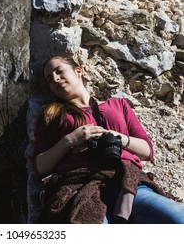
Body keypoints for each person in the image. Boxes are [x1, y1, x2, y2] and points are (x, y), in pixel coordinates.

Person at [33, 53, 184, 224]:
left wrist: (118, 138)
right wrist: (70, 140)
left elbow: (147, 151)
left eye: (59, 71)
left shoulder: (118, 104)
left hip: (128, 182)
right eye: (49, 79)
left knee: (178, 217)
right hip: (80, 186)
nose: (55, 79)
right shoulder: (51, 114)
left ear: (78, 71)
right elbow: (40, 166)